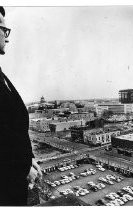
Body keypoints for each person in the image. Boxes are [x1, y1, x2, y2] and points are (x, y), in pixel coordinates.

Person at [0, 6, 42, 206]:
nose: (7, 38)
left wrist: (29, 158)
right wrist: (23, 166)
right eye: (4, 30)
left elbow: (13, 125)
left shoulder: (1, 75)